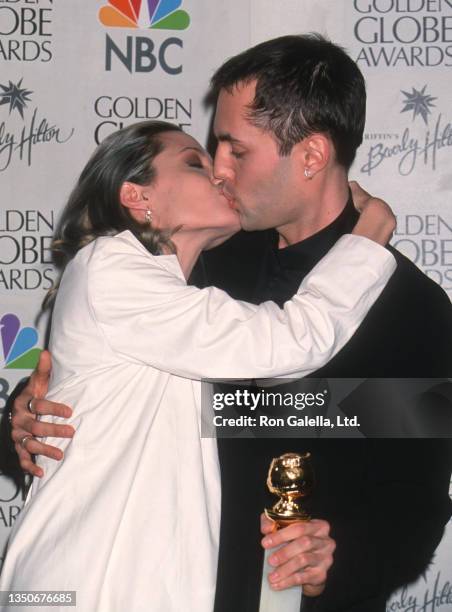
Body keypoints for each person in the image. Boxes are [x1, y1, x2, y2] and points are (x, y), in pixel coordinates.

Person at [10, 34, 452, 611]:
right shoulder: (189, 260)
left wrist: (342, 555)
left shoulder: (415, 310)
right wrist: (30, 418)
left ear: (312, 156)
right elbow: (119, 388)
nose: (219, 169)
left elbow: (416, 505)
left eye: (235, 150)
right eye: (212, 148)